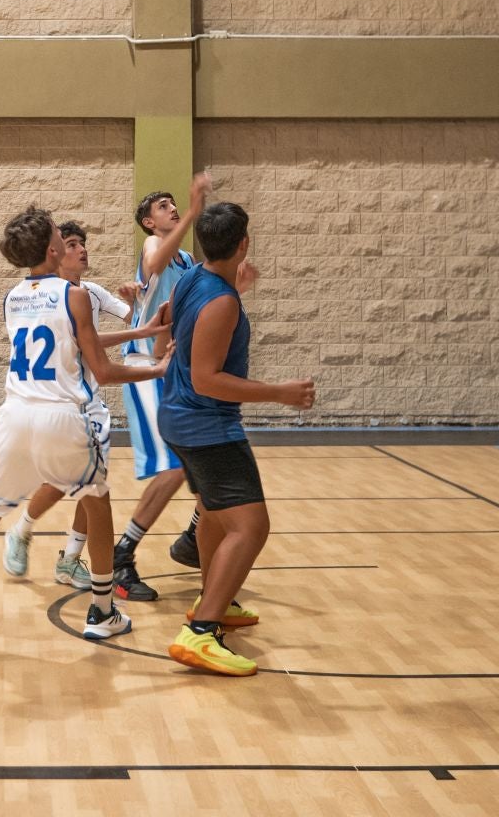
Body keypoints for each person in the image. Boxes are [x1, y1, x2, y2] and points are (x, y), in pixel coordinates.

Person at [0, 206, 161, 655]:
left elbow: (72, 341)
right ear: (54, 249)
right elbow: (103, 371)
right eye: (60, 235)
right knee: (97, 499)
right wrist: (158, 368)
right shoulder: (72, 295)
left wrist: (145, 327)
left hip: (14, 415)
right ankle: (103, 609)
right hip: (61, 415)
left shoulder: (12, 298)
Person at [158, 201, 315, 676]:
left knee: (212, 511)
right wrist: (280, 393)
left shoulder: (193, 279)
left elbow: (168, 320)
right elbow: (207, 378)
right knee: (251, 527)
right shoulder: (220, 301)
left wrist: (230, 288)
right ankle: (202, 632)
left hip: (180, 418)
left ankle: (216, 602)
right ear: (243, 243)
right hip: (207, 426)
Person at [5, 221, 167, 590]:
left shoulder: (90, 293)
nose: (81, 250)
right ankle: (25, 530)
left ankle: (69, 559)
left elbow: (116, 325)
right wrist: (157, 368)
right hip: (62, 404)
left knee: (92, 484)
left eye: (83, 244)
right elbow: (89, 349)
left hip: (87, 404)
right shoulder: (50, 296)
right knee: (71, 482)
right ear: (56, 252)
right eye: (73, 243)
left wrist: (141, 309)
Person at [113, 173, 212, 601]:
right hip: (144, 367)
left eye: (176, 204)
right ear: (149, 223)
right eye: (164, 207)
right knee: (174, 466)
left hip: (175, 369)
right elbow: (153, 264)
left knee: (209, 457)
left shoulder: (189, 262)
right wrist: (193, 210)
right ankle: (122, 555)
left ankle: (192, 539)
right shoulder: (154, 247)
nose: (171, 209)